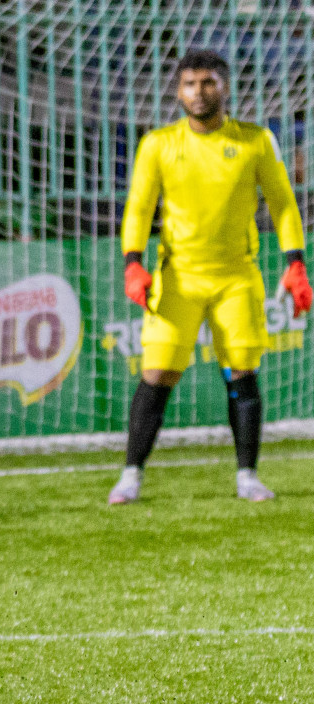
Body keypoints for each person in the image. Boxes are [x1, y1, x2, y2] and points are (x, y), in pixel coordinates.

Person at [109, 50, 311, 505]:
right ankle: (130, 475)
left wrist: (295, 263)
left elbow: (282, 204)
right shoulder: (158, 144)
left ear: (225, 87)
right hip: (177, 276)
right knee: (156, 372)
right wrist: (133, 262)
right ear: (177, 91)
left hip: (237, 277)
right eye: (189, 84)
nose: (199, 92)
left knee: (243, 370)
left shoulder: (257, 141)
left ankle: (247, 477)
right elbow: (140, 207)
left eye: (208, 82)